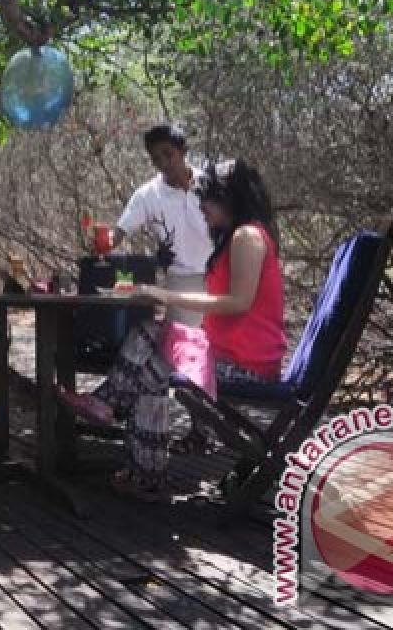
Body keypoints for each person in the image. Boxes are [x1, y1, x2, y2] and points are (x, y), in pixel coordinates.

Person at [59, 159, 287, 502]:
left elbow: (238, 302)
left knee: (152, 362)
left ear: (228, 198)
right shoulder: (238, 236)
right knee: (152, 334)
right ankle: (126, 441)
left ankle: (131, 448)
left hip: (246, 364)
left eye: (206, 199)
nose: (202, 208)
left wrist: (163, 294)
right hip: (225, 351)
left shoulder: (248, 236)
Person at [112, 124, 212, 326]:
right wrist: (102, 239)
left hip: (218, 275)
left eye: (168, 154)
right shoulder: (148, 194)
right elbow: (119, 232)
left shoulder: (209, 184)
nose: (164, 163)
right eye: (156, 159)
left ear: (183, 151)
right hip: (181, 281)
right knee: (187, 346)